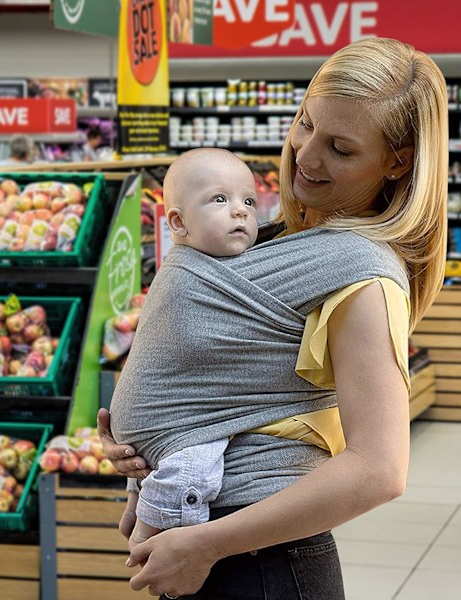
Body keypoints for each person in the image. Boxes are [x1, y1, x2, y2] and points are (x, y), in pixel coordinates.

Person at [97, 36, 448, 600]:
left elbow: (380, 470)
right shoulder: (272, 240)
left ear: (398, 161)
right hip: (212, 537)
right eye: (306, 124)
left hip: (259, 562)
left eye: (341, 147)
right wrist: (155, 437)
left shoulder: (364, 280)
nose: (306, 156)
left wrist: (206, 544)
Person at [111, 148, 260, 550]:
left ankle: (136, 501)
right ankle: (152, 528)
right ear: (177, 222)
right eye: (219, 199)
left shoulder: (197, 266)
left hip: (148, 425)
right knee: (199, 461)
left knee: (166, 462)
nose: (240, 212)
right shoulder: (189, 274)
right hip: (183, 422)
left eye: (248, 201)